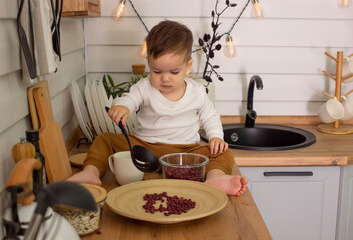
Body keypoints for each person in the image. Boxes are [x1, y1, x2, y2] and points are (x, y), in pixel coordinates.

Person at [68, 20, 248, 196]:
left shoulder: (197, 91)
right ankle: (91, 172)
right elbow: (129, 99)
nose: (165, 79)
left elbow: (210, 116)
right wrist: (122, 107)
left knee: (223, 152)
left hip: (185, 152)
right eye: (157, 71)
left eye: (174, 72)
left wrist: (216, 136)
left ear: (188, 66)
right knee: (105, 139)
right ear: (149, 63)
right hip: (145, 148)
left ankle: (215, 178)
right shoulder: (144, 87)